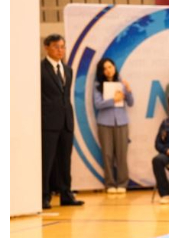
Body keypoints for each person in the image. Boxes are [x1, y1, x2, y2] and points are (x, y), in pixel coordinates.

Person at [41, 34, 84, 209]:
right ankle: (44, 196)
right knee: (47, 161)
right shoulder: (40, 69)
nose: (60, 50)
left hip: (66, 121)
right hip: (48, 122)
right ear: (46, 47)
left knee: (65, 161)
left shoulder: (68, 70)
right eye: (56, 47)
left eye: (63, 47)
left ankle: (66, 194)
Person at [93, 58, 134, 194]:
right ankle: (110, 184)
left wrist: (128, 90)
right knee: (107, 154)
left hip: (121, 122)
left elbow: (131, 103)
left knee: (122, 154)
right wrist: (112, 100)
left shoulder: (121, 83)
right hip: (104, 123)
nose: (108, 70)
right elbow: (98, 104)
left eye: (110, 67)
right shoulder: (98, 86)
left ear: (114, 67)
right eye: (104, 68)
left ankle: (122, 183)